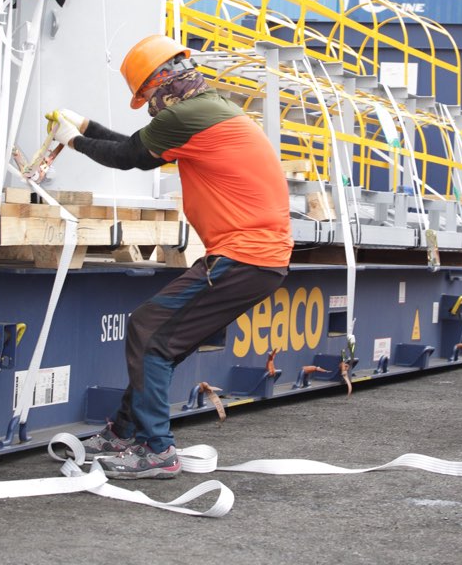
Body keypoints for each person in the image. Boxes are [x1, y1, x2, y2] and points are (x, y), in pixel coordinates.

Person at [46, 34, 293, 480]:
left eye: (146, 98)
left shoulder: (189, 115)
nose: (149, 107)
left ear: (159, 83)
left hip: (244, 256)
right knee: (158, 340)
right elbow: (138, 148)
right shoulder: (206, 109)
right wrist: (84, 127)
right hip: (252, 258)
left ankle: (157, 451)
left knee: (148, 330)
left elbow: (128, 156)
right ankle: (125, 432)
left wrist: (75, 141)